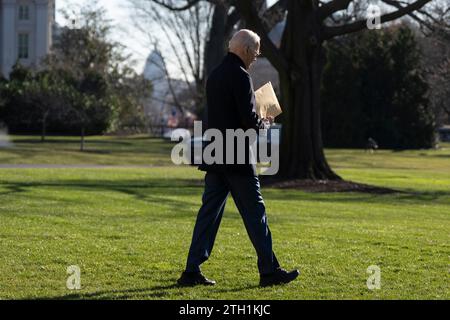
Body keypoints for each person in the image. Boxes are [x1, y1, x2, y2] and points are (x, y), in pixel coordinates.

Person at [177, 29, 299, 287]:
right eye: (256, 51)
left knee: (208, 215)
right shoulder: (242, 76)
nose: (257, 56)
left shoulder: (216, 74)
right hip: (237, 156)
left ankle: (191, 271)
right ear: (245, 49)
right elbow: (247, 121)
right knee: (256, 214)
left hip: (216, 153)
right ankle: (269, 271)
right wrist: (264, 123)